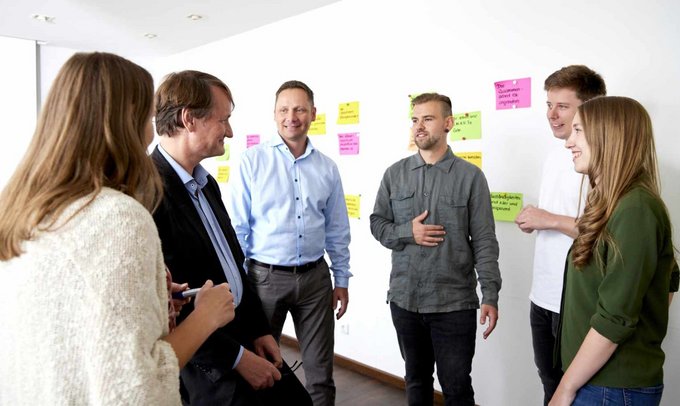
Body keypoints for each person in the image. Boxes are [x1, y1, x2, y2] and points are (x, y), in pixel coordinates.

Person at [0, 52, 234, 405]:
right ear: (124, 122)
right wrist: (205, 317)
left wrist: (148, 298)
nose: (152, 131)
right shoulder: (117, 217)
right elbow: (135, 388)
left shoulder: (22, 208)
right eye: (148, 117)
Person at [152, 70, 289, 406]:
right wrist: (237, 358)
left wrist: (259, 329)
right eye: (223, 120)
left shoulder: (206, 184)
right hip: (208, 365)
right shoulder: (148, 191)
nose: (230, 131)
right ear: (189, 119)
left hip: (242, 335)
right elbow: (169, 303)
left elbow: (233, 265)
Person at [370, 92, 501, 406]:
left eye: (428, 119)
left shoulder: (471, 177)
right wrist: (408, 232)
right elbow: (377, 224)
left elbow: (484, 240)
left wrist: (490, 294)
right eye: (415, 120)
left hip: (453, 304)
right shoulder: (394, 174)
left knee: (457, 388)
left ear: (448, 123)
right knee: (416, 381)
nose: (419, 126)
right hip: (405, 300)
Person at [549, 96, 679, 405]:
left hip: (611, 387)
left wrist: (565, 389)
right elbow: (668, 279)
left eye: (578, 131)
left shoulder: (636, 209)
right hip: (595, 379)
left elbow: (615, 319)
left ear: (609, 136)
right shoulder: (611, 203)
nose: (569, 142)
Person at [230, 80, 352, 406]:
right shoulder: (252, 161)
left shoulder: (327, 168)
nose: (291, 117)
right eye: (284, 109)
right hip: (264, 280)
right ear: (274, 114)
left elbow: (337, 229)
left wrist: (341, 279)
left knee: (321, 374)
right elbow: (238, 230)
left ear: (313, 113)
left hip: (315, 281)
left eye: (299, 109)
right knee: (262, 369)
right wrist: (239, 287)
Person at [514, 65, 606, 405]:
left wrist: (549, 219)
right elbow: (565, 219)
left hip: (578, 302)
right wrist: (537, 220)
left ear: (591, 108)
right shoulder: (556, 154)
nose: (551, 115)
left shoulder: (602, 159)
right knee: (550, 385)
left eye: (562, 106)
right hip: (543, 294)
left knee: (578, 392)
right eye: (549, 105)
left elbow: (607, 232)